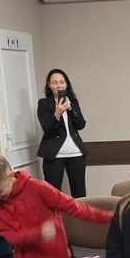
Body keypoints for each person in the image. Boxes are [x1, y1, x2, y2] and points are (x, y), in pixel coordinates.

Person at [37, 68, 88, 198]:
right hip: (54, 154)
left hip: (76, 153)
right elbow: (48, 129)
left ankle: (80, 213)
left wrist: (70, 108)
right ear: (49, 85)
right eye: (54, 83)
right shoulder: (44, 104)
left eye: (62, 82)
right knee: (53, 195)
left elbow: (81, 124)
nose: (58, 85)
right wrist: (57, 113)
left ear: (66, 84)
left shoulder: (73, 102)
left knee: (80, 194)